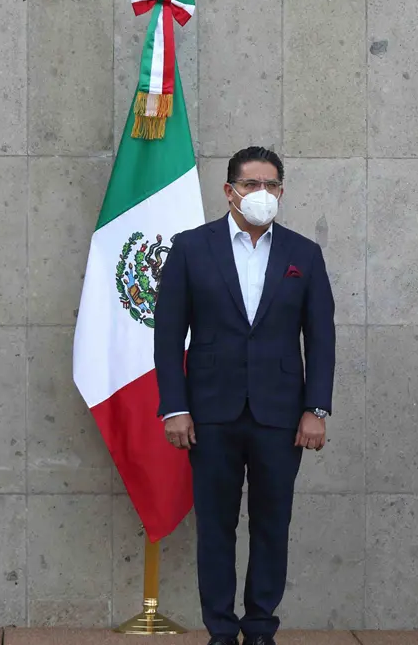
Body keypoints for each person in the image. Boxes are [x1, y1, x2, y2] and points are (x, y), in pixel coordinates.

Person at [154, 146, 336, 645]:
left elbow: (320, 338)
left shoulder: (303, 254)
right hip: (210, 413)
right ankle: (219, 628)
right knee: (215, 528)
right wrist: (175, 406)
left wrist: (315, 409)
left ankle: (259, 627)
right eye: (251, 184)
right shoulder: (192, 248)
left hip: (281, 414)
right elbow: (168, 336)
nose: (262, 194)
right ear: (229, 191)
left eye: (271, 185)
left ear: (281, 191)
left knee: (272, 524)